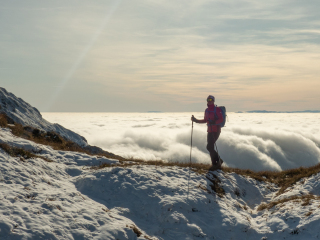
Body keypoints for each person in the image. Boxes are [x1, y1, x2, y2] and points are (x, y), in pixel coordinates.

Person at [191, 95, 224, 170]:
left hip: (216, 130)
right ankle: (217, 162)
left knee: (209, 146)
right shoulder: (207, 110)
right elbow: (205, 120)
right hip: (209, 130)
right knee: (210, 147)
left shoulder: (217, 109)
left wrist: (214, 121)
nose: (209, 101)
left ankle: (216, 163)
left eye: (211, 100)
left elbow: (221, 119)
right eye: (208, 100)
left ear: (213, 101)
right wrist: (196, 120)